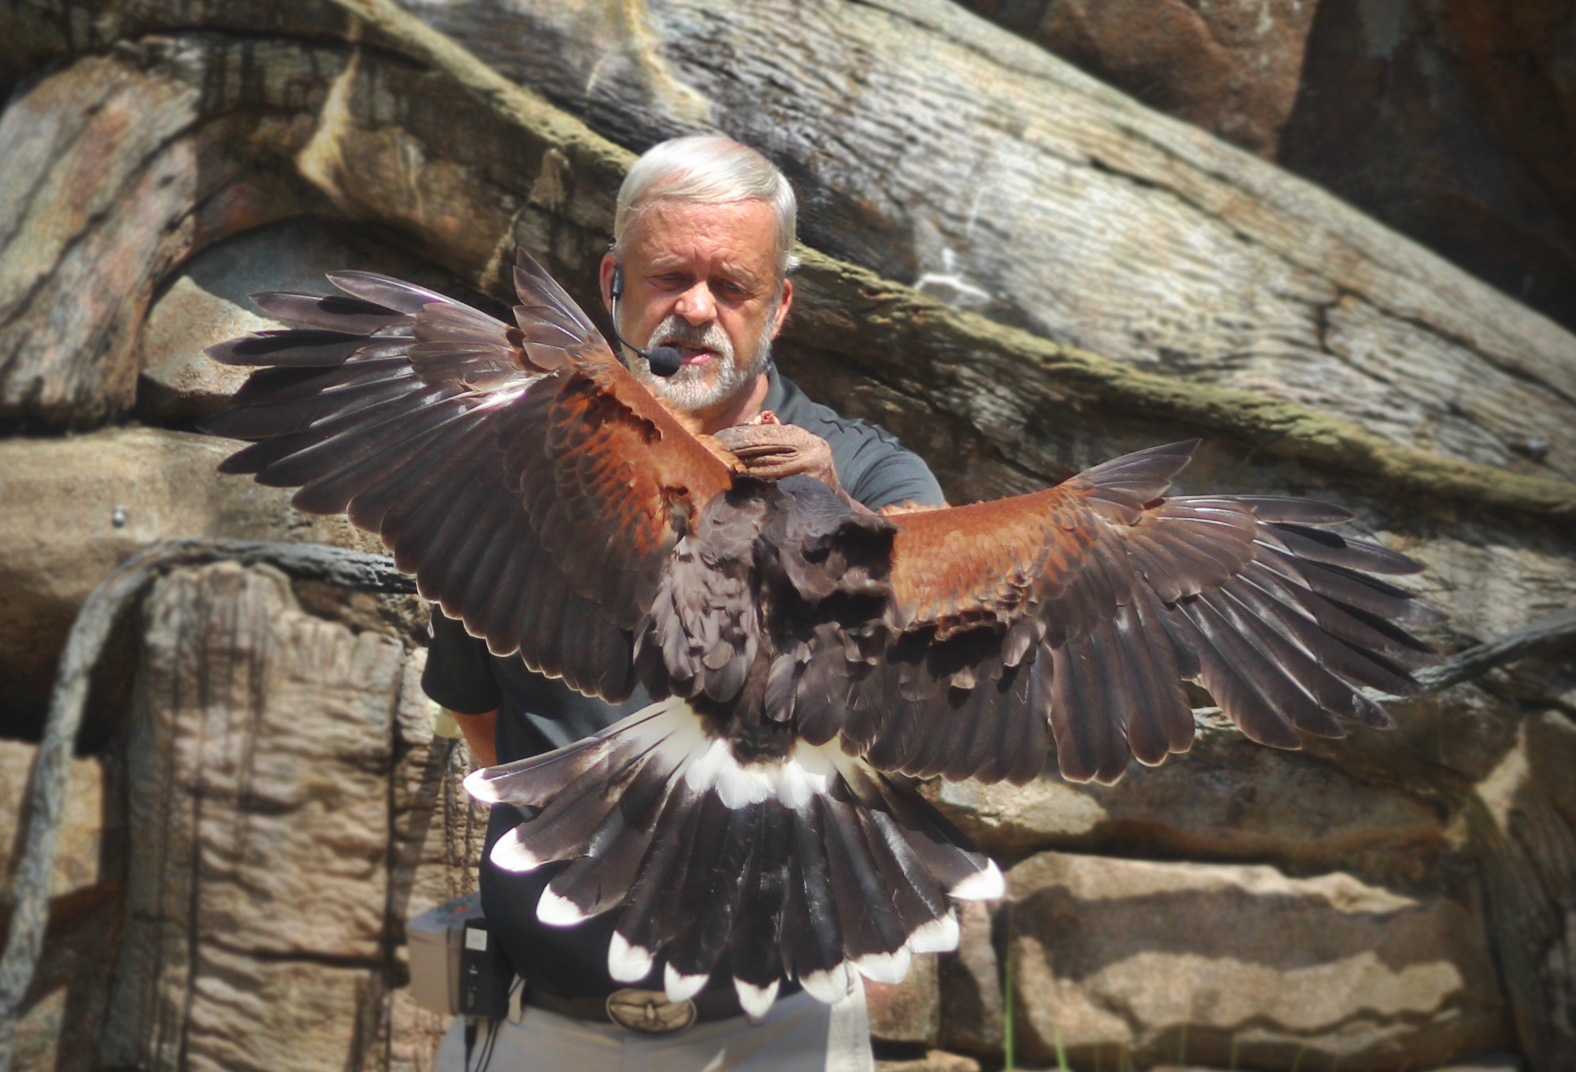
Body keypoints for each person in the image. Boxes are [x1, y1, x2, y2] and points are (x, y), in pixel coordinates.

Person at [424, 133, 944, 1071]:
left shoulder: (871, 473)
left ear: (779, 306)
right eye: (670, 277)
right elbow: (481, 716)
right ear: (613, 282)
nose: (697, 309)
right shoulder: (518, 459)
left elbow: (928, 668)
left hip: (780, 1033)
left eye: (733, 287)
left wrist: (839, 523)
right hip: (541, 1026)